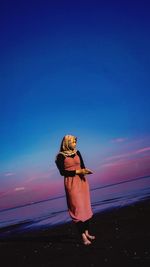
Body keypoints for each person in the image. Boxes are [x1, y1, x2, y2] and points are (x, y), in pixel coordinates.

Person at [55, 134, 95, 245]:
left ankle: (86, 232)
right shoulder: (60, 156)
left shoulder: (78, 152)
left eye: (75, 142)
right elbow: (62, 172)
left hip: (82, 182)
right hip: (71, 184)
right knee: (77, 209)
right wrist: (77, 172)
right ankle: (83, 236)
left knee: (85, 208)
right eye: (73, 142)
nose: (75, 144)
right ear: (67, 143)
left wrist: (86, 171)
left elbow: (82, 166)